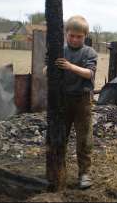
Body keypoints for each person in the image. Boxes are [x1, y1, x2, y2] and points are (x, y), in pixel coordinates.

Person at [45, 15, 98, 189]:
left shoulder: (89, 52)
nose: (75, 39)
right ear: (66, 34)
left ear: (85, 36)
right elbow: (46, 70)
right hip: (62, 101)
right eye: (72, 35)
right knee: (60, 136)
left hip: (82, 101)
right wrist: (50, 68)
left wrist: (69, 66)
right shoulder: (59, 50)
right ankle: (58, 171)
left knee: (84, 139)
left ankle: (84, 174)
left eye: (79, 36)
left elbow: (89, 74)